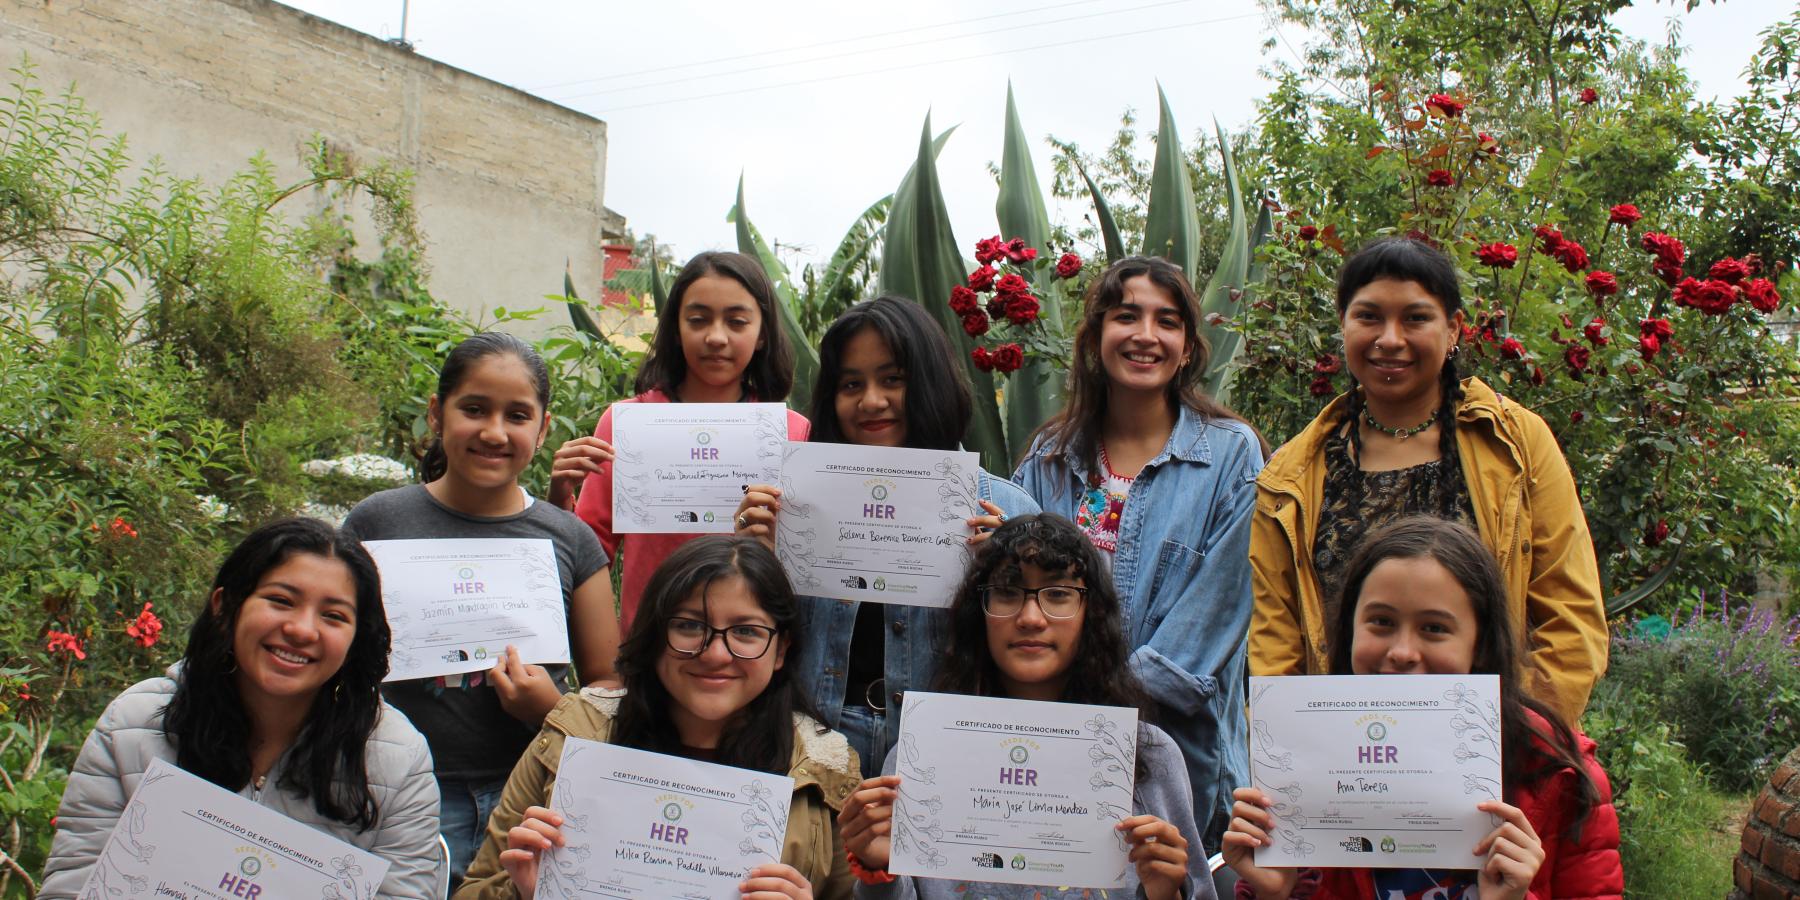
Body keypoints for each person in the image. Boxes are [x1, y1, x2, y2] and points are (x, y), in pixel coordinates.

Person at [1247, 236, 1607, 726]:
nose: (1390, 339)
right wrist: (1297, 761)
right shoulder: (1292, 476)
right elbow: (1276, 647)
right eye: (1369, 316)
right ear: (1344, 324)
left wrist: (1514, 747)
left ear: (1454, 327)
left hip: (1494, 750)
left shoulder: (1516, 444)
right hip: (1345, 759)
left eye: (1415, 318)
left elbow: (1571, 618)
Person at [341, 332, 620, 887]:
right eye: (473, 409)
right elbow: (338, 653)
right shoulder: (377, 524)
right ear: (437, 415)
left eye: (517, 415)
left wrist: (551, 707)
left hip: (530, 793)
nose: (494, 431)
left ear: (542, 431)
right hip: (395, 790)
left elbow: (608, 686)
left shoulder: (568, 539)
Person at [40, 518, 441, 898]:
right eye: (281, 600)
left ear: (356, 638)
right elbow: (76, 882)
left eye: (334, 616)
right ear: (225, 605)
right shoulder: (133, 725)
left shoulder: (398, 758)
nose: (302, 629)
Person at [1224, 515, 1622, 899]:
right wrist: (1277, 892)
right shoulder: (1301, 767)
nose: (1402, 652)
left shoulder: (1560, 774)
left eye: (1434, 628)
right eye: (1380, 622)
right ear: (1348, 631)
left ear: (1480, 643)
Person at [1012, 255, 1265, 851]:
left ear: (1187, 345)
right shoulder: (1049, 458)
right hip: (1061, 754)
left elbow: (1215, 613)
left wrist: (1107, 698)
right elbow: (1020, 589)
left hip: (1185, 766)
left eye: (1167, 321)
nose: (1146, 336)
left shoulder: (1232, 456)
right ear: (1098, 334)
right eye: (1127, 316)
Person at [731, 296, 1039, 778]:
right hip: (812, 754)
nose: (872, 401)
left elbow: (1047, 664)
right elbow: (747, 647)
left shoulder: (1008, 512)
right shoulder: (789, 505)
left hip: (949, 763)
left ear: (929, 383)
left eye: (893, 380)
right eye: (851, 384)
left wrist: (1013, 582)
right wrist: (754, 562)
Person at [455, 535, 859, 900]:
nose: (715, 653)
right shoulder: (572, 734)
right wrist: (528, 893)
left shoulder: (826, 769)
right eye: (688, 626)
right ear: (654, 634)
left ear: (781, 650)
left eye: (746, 632)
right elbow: (476, 889)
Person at [836, 514, 1213, 900]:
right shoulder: (917, 757)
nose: (1031, 618)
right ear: (978, 612)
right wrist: (878, 870)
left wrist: (1167, 893)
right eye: (1007, 593)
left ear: (1093, 613)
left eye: (1058, 594)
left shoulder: (1149, 755)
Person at [550, 251, 809, 630]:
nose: (716, 337)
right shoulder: (627, 425)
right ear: (676, 328)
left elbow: (813, 569)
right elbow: (590, 555)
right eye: (698, 319)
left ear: (762, 334)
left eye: (736, 322)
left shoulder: (793, 434)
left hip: (750, 656)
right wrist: (559, 499)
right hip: (650, 650)